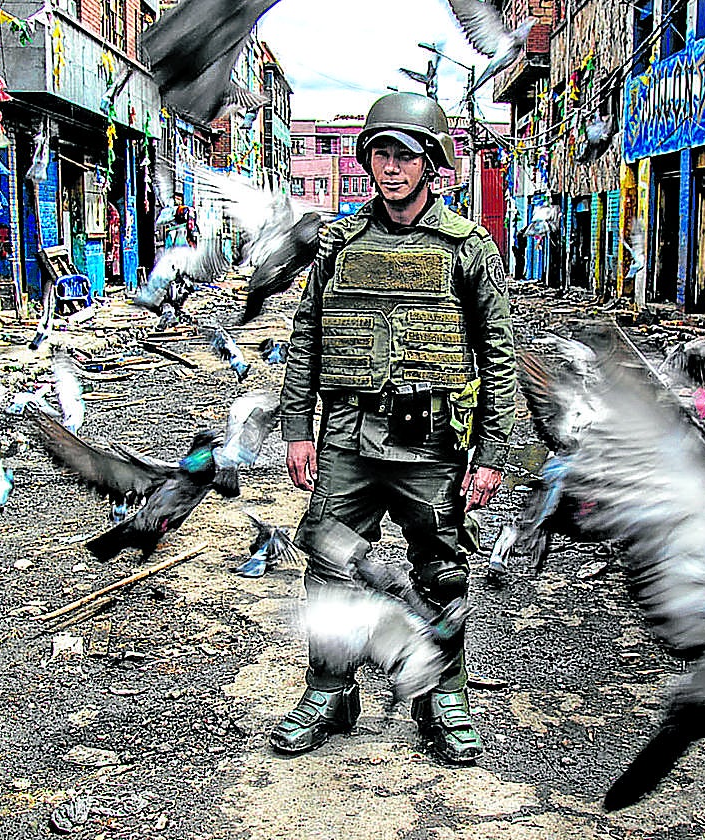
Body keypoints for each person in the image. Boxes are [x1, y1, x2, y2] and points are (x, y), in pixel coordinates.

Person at [270, 92, 517, 764]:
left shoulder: (468, 248)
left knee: (440, 572)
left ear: (431, 162)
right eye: (381, 151)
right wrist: (297, 428)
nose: (391, 166)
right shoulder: (338, 244)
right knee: (329, 568)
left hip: (430, 443)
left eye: (405, 153)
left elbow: (499, 356)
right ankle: (329, 690)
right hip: (347, 436)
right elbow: (309, 336)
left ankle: (445, 699)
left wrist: (491, 452)